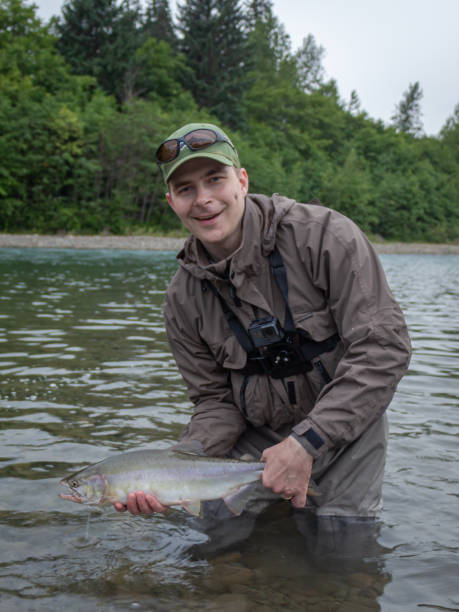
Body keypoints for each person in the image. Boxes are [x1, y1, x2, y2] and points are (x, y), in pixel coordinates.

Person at [115, 122, 411, 521]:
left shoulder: (325, 237)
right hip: (256, 440)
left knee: (345, 553)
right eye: (186, 189)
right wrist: (176, 468)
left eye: (215, 180)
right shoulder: (181, 300)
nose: (203, 200)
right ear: (171, 202)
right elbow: (215, 401)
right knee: (211, 539)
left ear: (242, 180)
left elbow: (384, 349)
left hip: (347, 432)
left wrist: (307, 442)